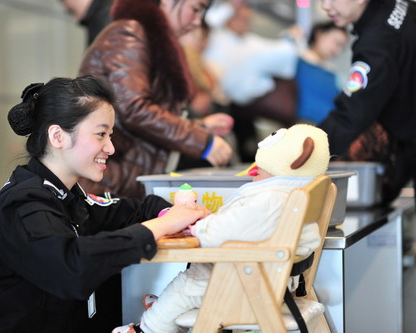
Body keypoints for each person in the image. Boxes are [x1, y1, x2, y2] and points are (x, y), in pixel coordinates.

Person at [0, 75, 209, 332]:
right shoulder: (23, 203)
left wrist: (174, 213)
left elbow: (129, 210)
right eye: (101, 134)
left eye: (110, 135)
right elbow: (72, 265)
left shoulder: (67, 195)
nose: (110, 148)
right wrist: (162, 226)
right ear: (58, 137)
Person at [112, 124, 331, 333]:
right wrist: (212, 219)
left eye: (261, 170)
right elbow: (244, 226)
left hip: (248, 283)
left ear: (288, 164)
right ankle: (166, 311)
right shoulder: (297, 193)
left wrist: (198, 227)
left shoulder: (271, 200)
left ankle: (150, 327)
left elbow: (224, 232)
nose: (255, 173)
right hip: (275, 278)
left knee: (187, 285)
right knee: (193, 277)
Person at [317, 0, 416, 329]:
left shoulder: (378, 40)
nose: (324, 6)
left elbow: (350, 114)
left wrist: (296, 153)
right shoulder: (408, 9)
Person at [78, 0, 233, 198]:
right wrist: (201, 141)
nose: (196, 22)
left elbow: (141, 109)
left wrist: (198, 126)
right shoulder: (129, 33)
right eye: (195, 10)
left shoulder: (144, 37)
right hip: (107, 183)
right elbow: (133, 109)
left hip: (120, 180)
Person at [294, 21, 348, 124]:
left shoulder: (334, 75)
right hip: (296, 125)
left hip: (325, 130)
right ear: (320, 34)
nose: (337, 51)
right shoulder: (296, 58)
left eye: (342, 47)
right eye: (336, 43)